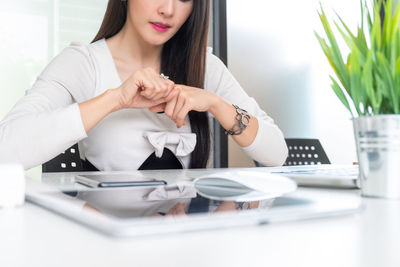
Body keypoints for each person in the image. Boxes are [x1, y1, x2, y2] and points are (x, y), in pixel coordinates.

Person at [0, 0, 287, 171]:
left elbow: (276, 154)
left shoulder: (205, 66)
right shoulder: (83, 63)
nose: (168, 10)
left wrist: (216, 104)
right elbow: (6, 151)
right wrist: (115, 99)